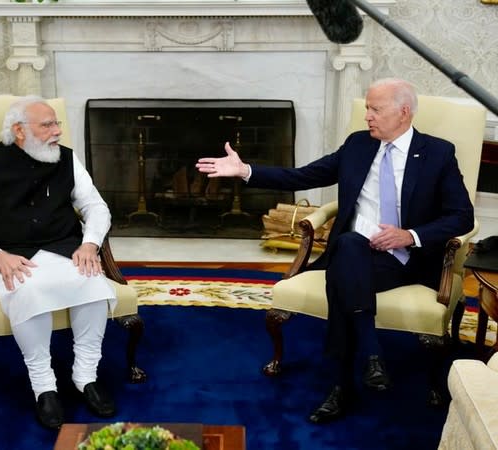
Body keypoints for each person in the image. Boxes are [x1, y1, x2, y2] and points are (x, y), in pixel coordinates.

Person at [196, 78, 474, 424]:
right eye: (367, 108)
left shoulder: (437, 152)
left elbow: (462, 216)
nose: (367, 117)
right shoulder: (358, 145)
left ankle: (342, 386)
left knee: (343, 272)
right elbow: (303, 176)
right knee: (348, 246)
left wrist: (410, 235)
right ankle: (368, 356)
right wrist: (245, 171)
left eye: (376, 109)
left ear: (404, 113)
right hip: (358, 253)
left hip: (408, 259)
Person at [0, 96, 117, 430]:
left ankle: (85, 376)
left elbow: (96, 205)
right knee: (30, 291)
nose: (57, 131)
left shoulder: (66, 158)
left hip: (65, 248)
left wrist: (90, 243)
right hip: (12, 257)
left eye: (57, 123)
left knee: (93, 283)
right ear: (19, 131)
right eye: (47, 125)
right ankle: (44, 386)